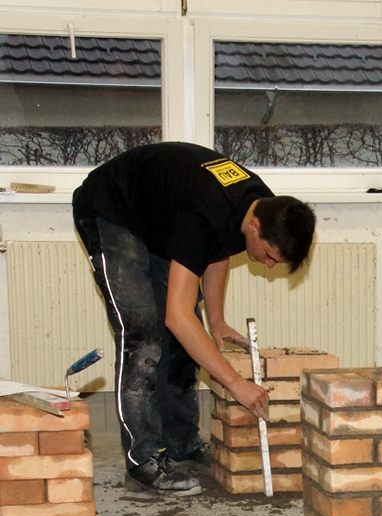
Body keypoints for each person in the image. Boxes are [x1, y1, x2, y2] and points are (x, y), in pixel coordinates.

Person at [73, 141, 315, 496]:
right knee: (143, 335)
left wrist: (216, 321)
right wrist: (236, 384)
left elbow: (216, 250)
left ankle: (182, 444)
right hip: (111, 209)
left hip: (159, 216)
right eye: (269, 256)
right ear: (255, 226)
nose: (268, 265)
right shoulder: (205, 212)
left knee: (187, 337)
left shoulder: (258, 203)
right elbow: (177, 315)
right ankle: (143, 461)